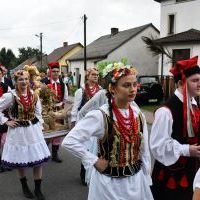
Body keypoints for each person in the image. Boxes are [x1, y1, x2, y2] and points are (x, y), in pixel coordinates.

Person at [62, 64, 153, 200]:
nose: (132, 89)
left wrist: (147, 178)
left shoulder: (138, 114)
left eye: (134, 85)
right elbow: (69, 141)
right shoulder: (100, 116)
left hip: (136, 181)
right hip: (109, 185)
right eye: (126, 85)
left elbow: (144, 150)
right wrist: (94, 160)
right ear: (112, 88)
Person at [150, 56, 200, 200]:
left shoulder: (194, 104)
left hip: (192, 172)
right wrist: (186, 149)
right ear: (180, 83)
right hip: (171, 176)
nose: (199, 84)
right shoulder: (166, 111)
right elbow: (158, 146)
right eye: (195, 80)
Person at [0, 70, 50, 200]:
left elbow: (38, 113)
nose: (24, 82)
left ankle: (38, 189)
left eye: (26, 79)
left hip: (33, 130)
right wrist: (6, 121)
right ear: (16, 81)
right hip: (18, 131)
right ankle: (25, 187)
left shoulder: (34, 94)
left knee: (38, 160)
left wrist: (39, 126)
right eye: (21, 79)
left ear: (30, 80)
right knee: (20, 160)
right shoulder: (10, 96)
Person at [70, 67, 101, 185]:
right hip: (84, 124)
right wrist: (74, 125)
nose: (95, 76)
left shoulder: (101, 91)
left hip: (97, 124)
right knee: (86, 149)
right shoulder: (81, 91)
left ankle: (94, 173)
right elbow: (75, 109)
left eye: (97, 75)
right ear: (87, 76)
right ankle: (84, 174)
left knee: (96, 150)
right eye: (93, 74)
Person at [41, 61, 68, 163]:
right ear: (50, 72)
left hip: (58, 110)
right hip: (47, 111)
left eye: (57, 71)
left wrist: (60, 108)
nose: (56, 73)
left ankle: (55, 154)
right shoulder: (44, 82)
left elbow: (65, 98)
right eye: (54, 71)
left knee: (58, 132)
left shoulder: (62, 84)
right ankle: (43, 153)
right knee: (47, 132)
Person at [0, 67, 11, 173]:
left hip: (3, 116)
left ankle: (5, 161)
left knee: (4, 140)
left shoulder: (5, 86)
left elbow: (10, 101)